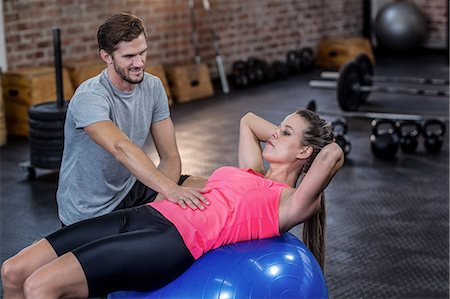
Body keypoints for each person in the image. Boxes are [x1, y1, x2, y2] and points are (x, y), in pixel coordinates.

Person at [1, 109, 344, 299]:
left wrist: (307, 145)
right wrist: (286, 138)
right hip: (145, 215)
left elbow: (333, 152)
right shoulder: (252, 170)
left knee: (39, 287)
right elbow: (247, 120)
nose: (273, 134)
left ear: (303, 152)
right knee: (14, 272)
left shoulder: (291, 203)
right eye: (279, 128)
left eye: (284, 133)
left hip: (169, 242)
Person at [57, 13, 207, 226]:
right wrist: (170, 191)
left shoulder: (153, 86)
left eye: (143, 52)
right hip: (89, 211)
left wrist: (160, 205)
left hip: (129, 188)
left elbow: (170, 156)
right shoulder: (90, 97)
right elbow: (121, 148)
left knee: (208, 189)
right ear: (107, 57)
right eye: (129, 57)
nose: (139, 63)